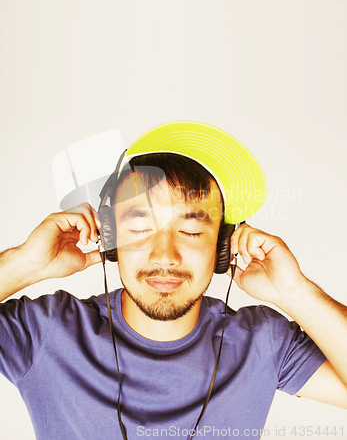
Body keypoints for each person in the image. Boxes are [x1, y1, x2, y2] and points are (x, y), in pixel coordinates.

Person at [0, 121, 346, 440]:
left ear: (222, 247)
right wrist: (25, 264)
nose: (165, 255)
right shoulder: (43, 331)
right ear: (109, 237)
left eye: (191, 230)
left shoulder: (263, 342)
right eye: (139, 228)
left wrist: (295, 292)